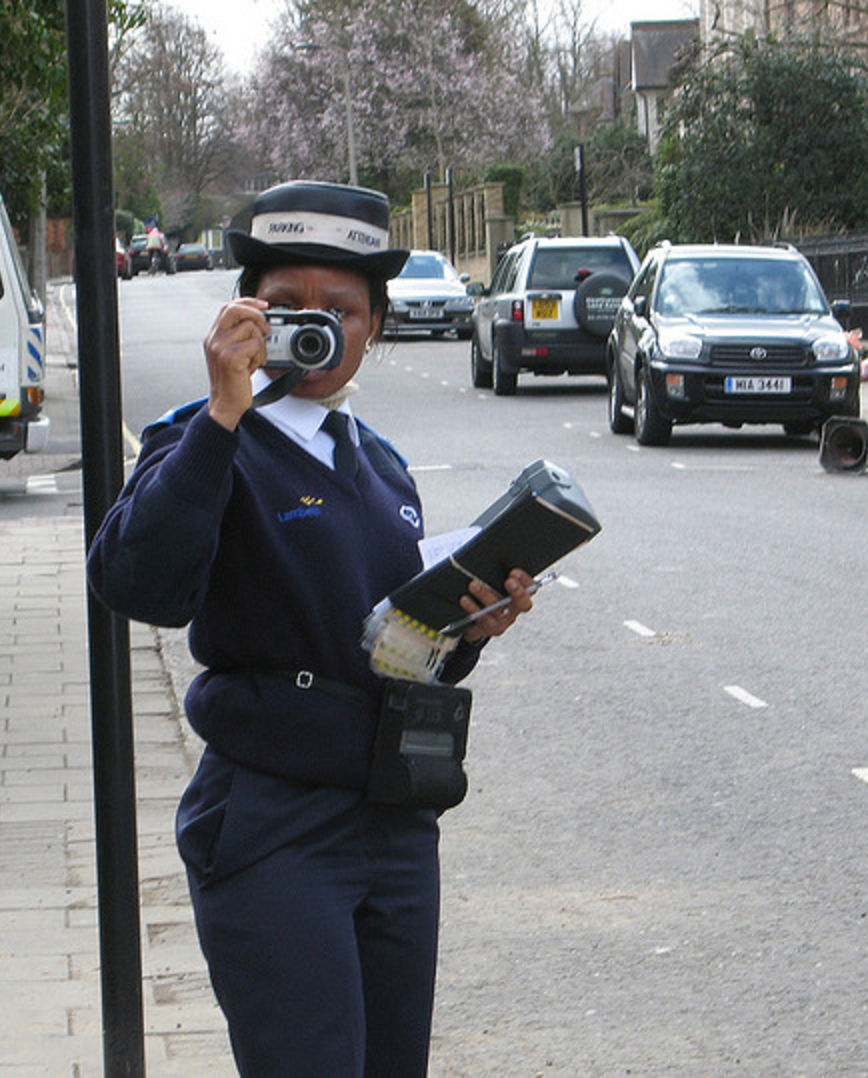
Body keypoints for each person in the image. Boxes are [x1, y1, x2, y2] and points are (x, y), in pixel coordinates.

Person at [86, 180, 535, 1076]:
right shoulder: (203, 439)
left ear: (373, 326)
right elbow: (137, 582)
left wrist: (471, 627)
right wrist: (223, 408)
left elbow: (391, 647)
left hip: (395, 821)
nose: (316, 329)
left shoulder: (381, 466)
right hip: (273, 825)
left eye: (342, 310)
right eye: (285, 307)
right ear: (242, 314)